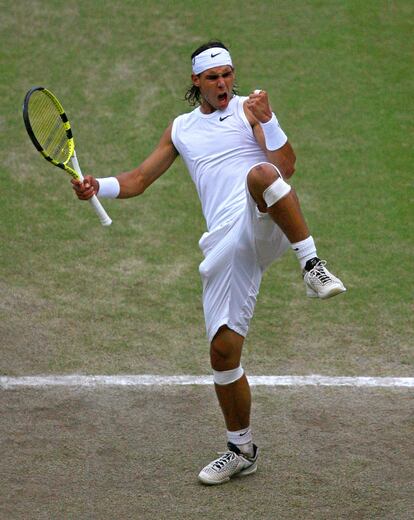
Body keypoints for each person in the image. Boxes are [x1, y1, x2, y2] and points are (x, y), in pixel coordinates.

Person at [72, 40, 346, 486]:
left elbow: (285, 167)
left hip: (264, 217)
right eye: (213, 77)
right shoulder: (181, 129)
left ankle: (312, 264)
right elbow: (139, 179)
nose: (223, 84)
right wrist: (95, 185)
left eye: (228, 74)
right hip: (225, 242)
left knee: (261, 175)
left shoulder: (249, 111)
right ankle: (241, 449)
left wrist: (269, 120)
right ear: (196, 81)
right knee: (222, 352)